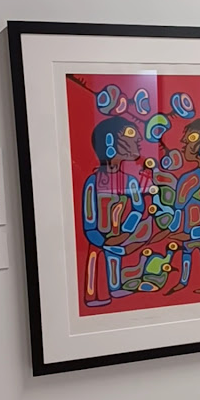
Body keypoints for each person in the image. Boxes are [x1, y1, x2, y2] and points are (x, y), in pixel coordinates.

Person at [82, 117, 152, 307]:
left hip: (119, 234)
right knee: (97, 260)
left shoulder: (130, 181)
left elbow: (138, 208)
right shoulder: (93, 182)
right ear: (109, 141)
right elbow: (89, 217)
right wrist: (101, 240)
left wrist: (125, 233)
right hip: (98, 237)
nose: (138, 139)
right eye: (130, 133)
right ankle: (95, 295)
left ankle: (115, 287)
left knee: (114, 258)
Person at [164, 118, 200, 295]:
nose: (183, 143)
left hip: (197, 234)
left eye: (191, 138)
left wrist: (190, 234)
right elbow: (177, 215)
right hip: (185, 234)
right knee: (186, 253)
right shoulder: (185, 179)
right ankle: (183, 281)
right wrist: (168, 229)